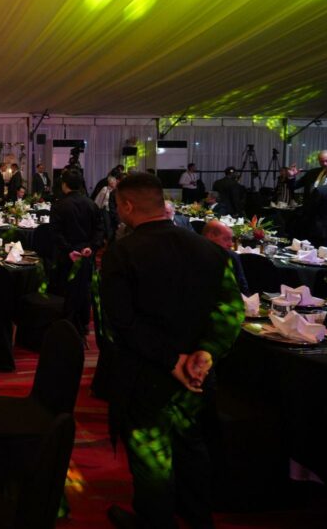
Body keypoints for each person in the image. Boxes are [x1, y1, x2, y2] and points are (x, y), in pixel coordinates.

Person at [102, 173, 241, 529]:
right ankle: (197, 517)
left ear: (127, 205)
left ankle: (155, 522)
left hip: (146, 375)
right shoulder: (211, 250)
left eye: (118, 205)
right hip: (197, 376)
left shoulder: (122, 253)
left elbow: (118, 323)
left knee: (151, 454)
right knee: (191, 445)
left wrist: (171, 360)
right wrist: (205, 354)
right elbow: (231, 310)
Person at [50, 169, 105, 340]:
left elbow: (56, 233)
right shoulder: (91, 204)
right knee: (84, 287)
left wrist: (68, 250)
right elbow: (99, 230)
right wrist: (92, 247)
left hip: (67, 254)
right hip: (86, 253)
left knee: (65, 287)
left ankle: (66, 326)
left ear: (64, 184)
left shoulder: (59, 205)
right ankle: (82, 324)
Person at [202, 220, 250, 295]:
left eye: (231, 239)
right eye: (226, 239)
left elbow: (243, 287)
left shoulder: (232, 256)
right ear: (210, 236)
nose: (231, 244)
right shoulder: (191, 254)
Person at [296, 149, 327, 245]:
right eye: (321, 161)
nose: (324, 164)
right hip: (309, 218)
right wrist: (291, 177)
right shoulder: (312, 173)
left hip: (325, 220)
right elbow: (295, 186)